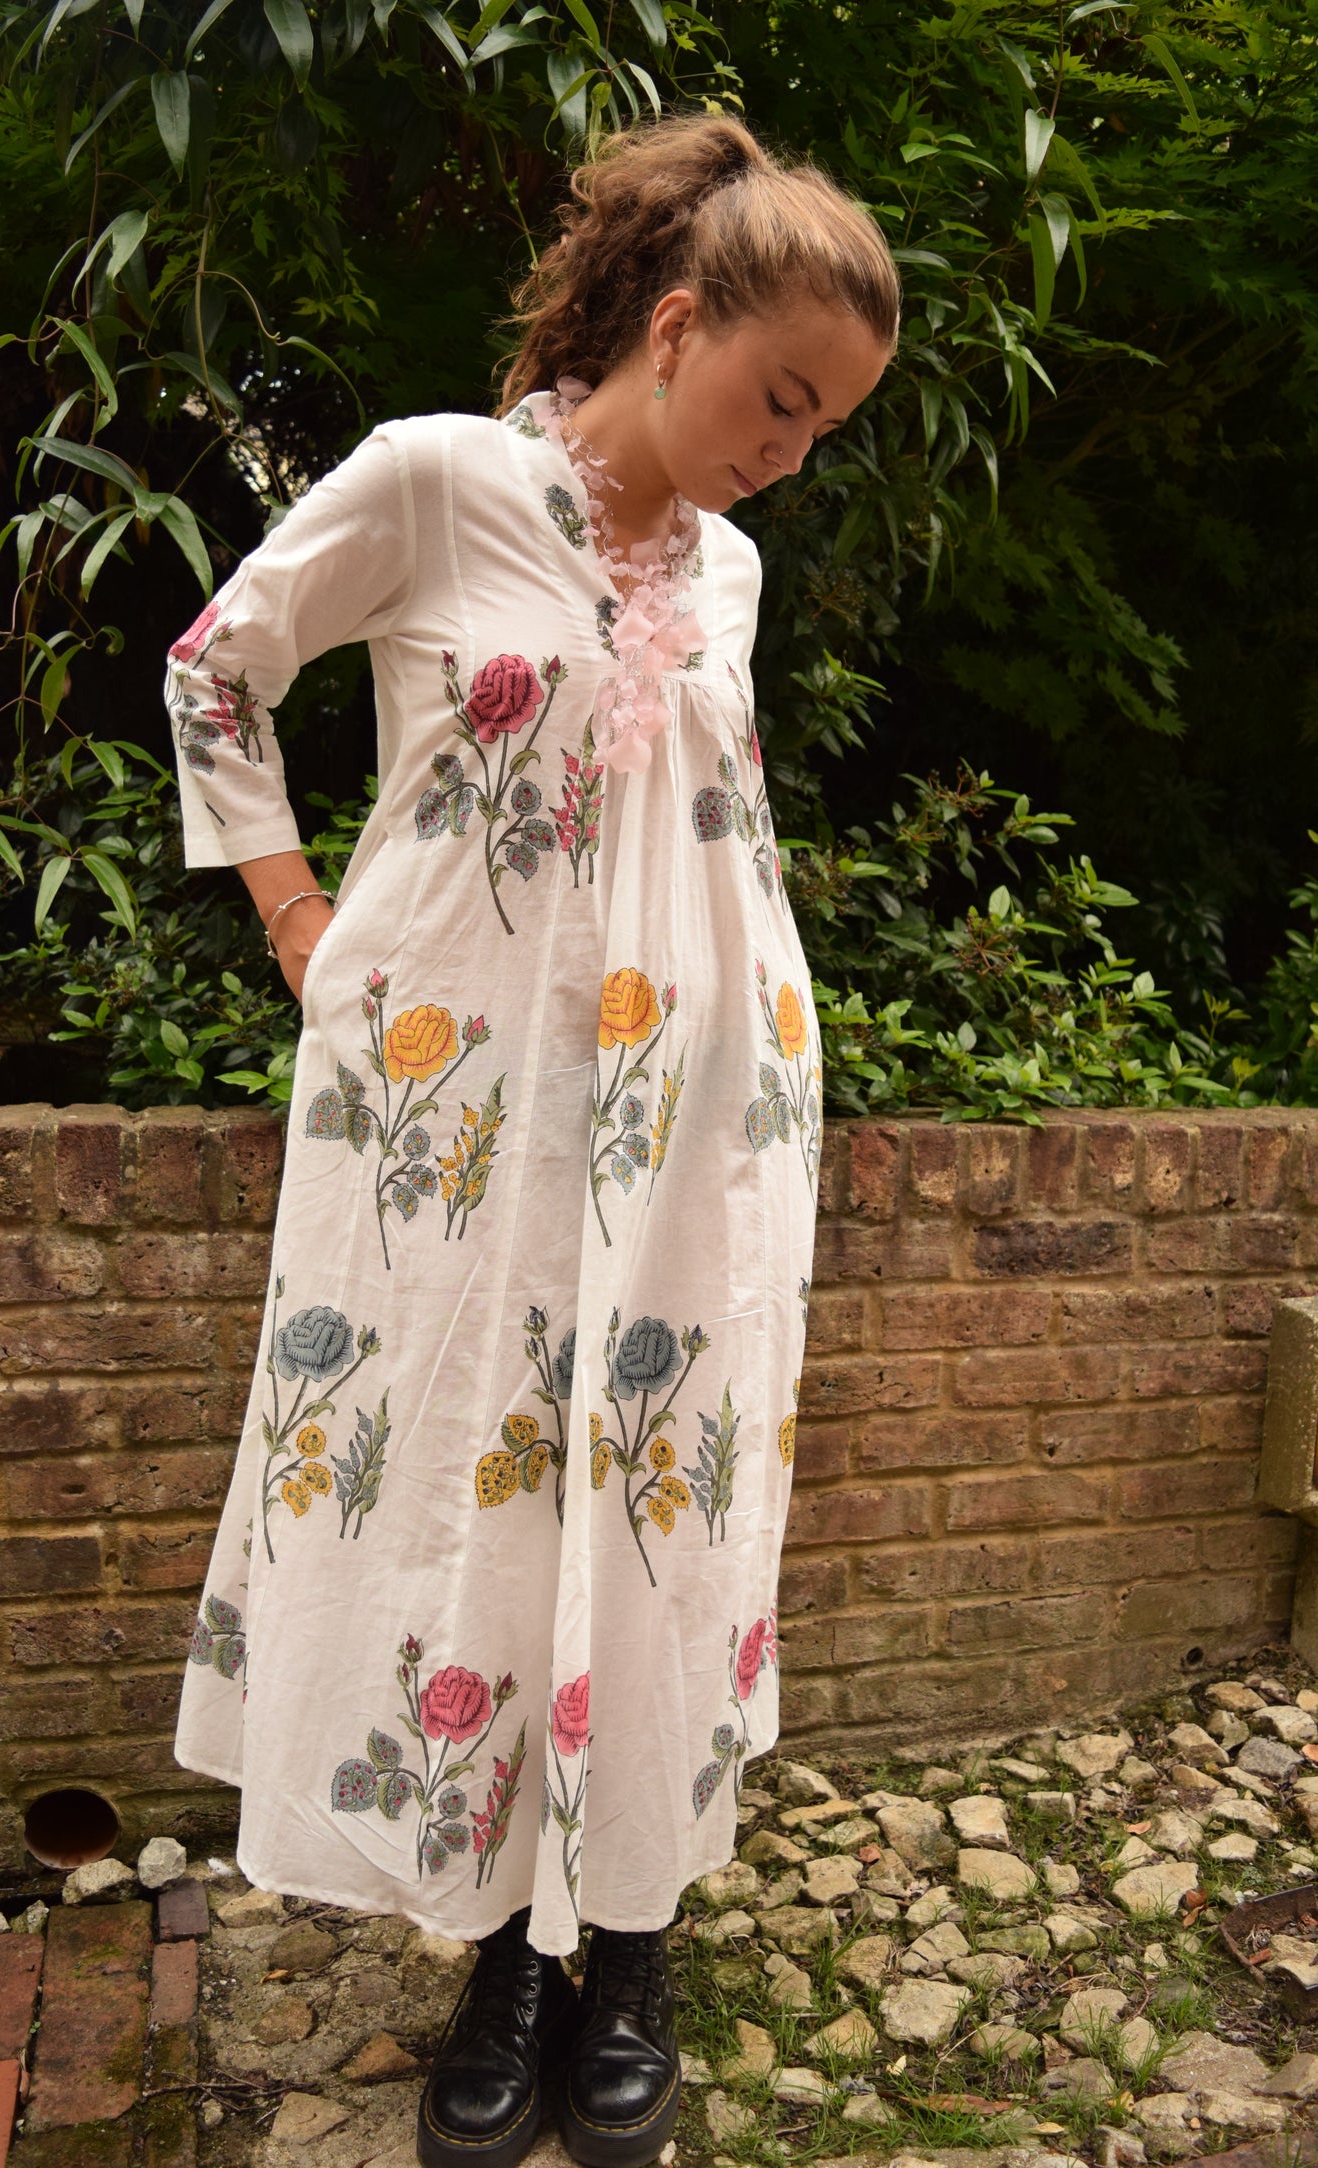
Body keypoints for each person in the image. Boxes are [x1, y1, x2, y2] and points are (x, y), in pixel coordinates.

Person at [165, 111, 898, 2168]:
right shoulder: (439, 480)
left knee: (663, 1511)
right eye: (782, 397)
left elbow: (708, 840)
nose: (795, 452)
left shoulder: (731, 570)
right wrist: (303, 927)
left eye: (828, 424)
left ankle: (631, 1936)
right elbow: (216, 673)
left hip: (699, 1126)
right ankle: (500, 1945)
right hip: (463, 1119)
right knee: (473, 1504)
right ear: (675, 327)